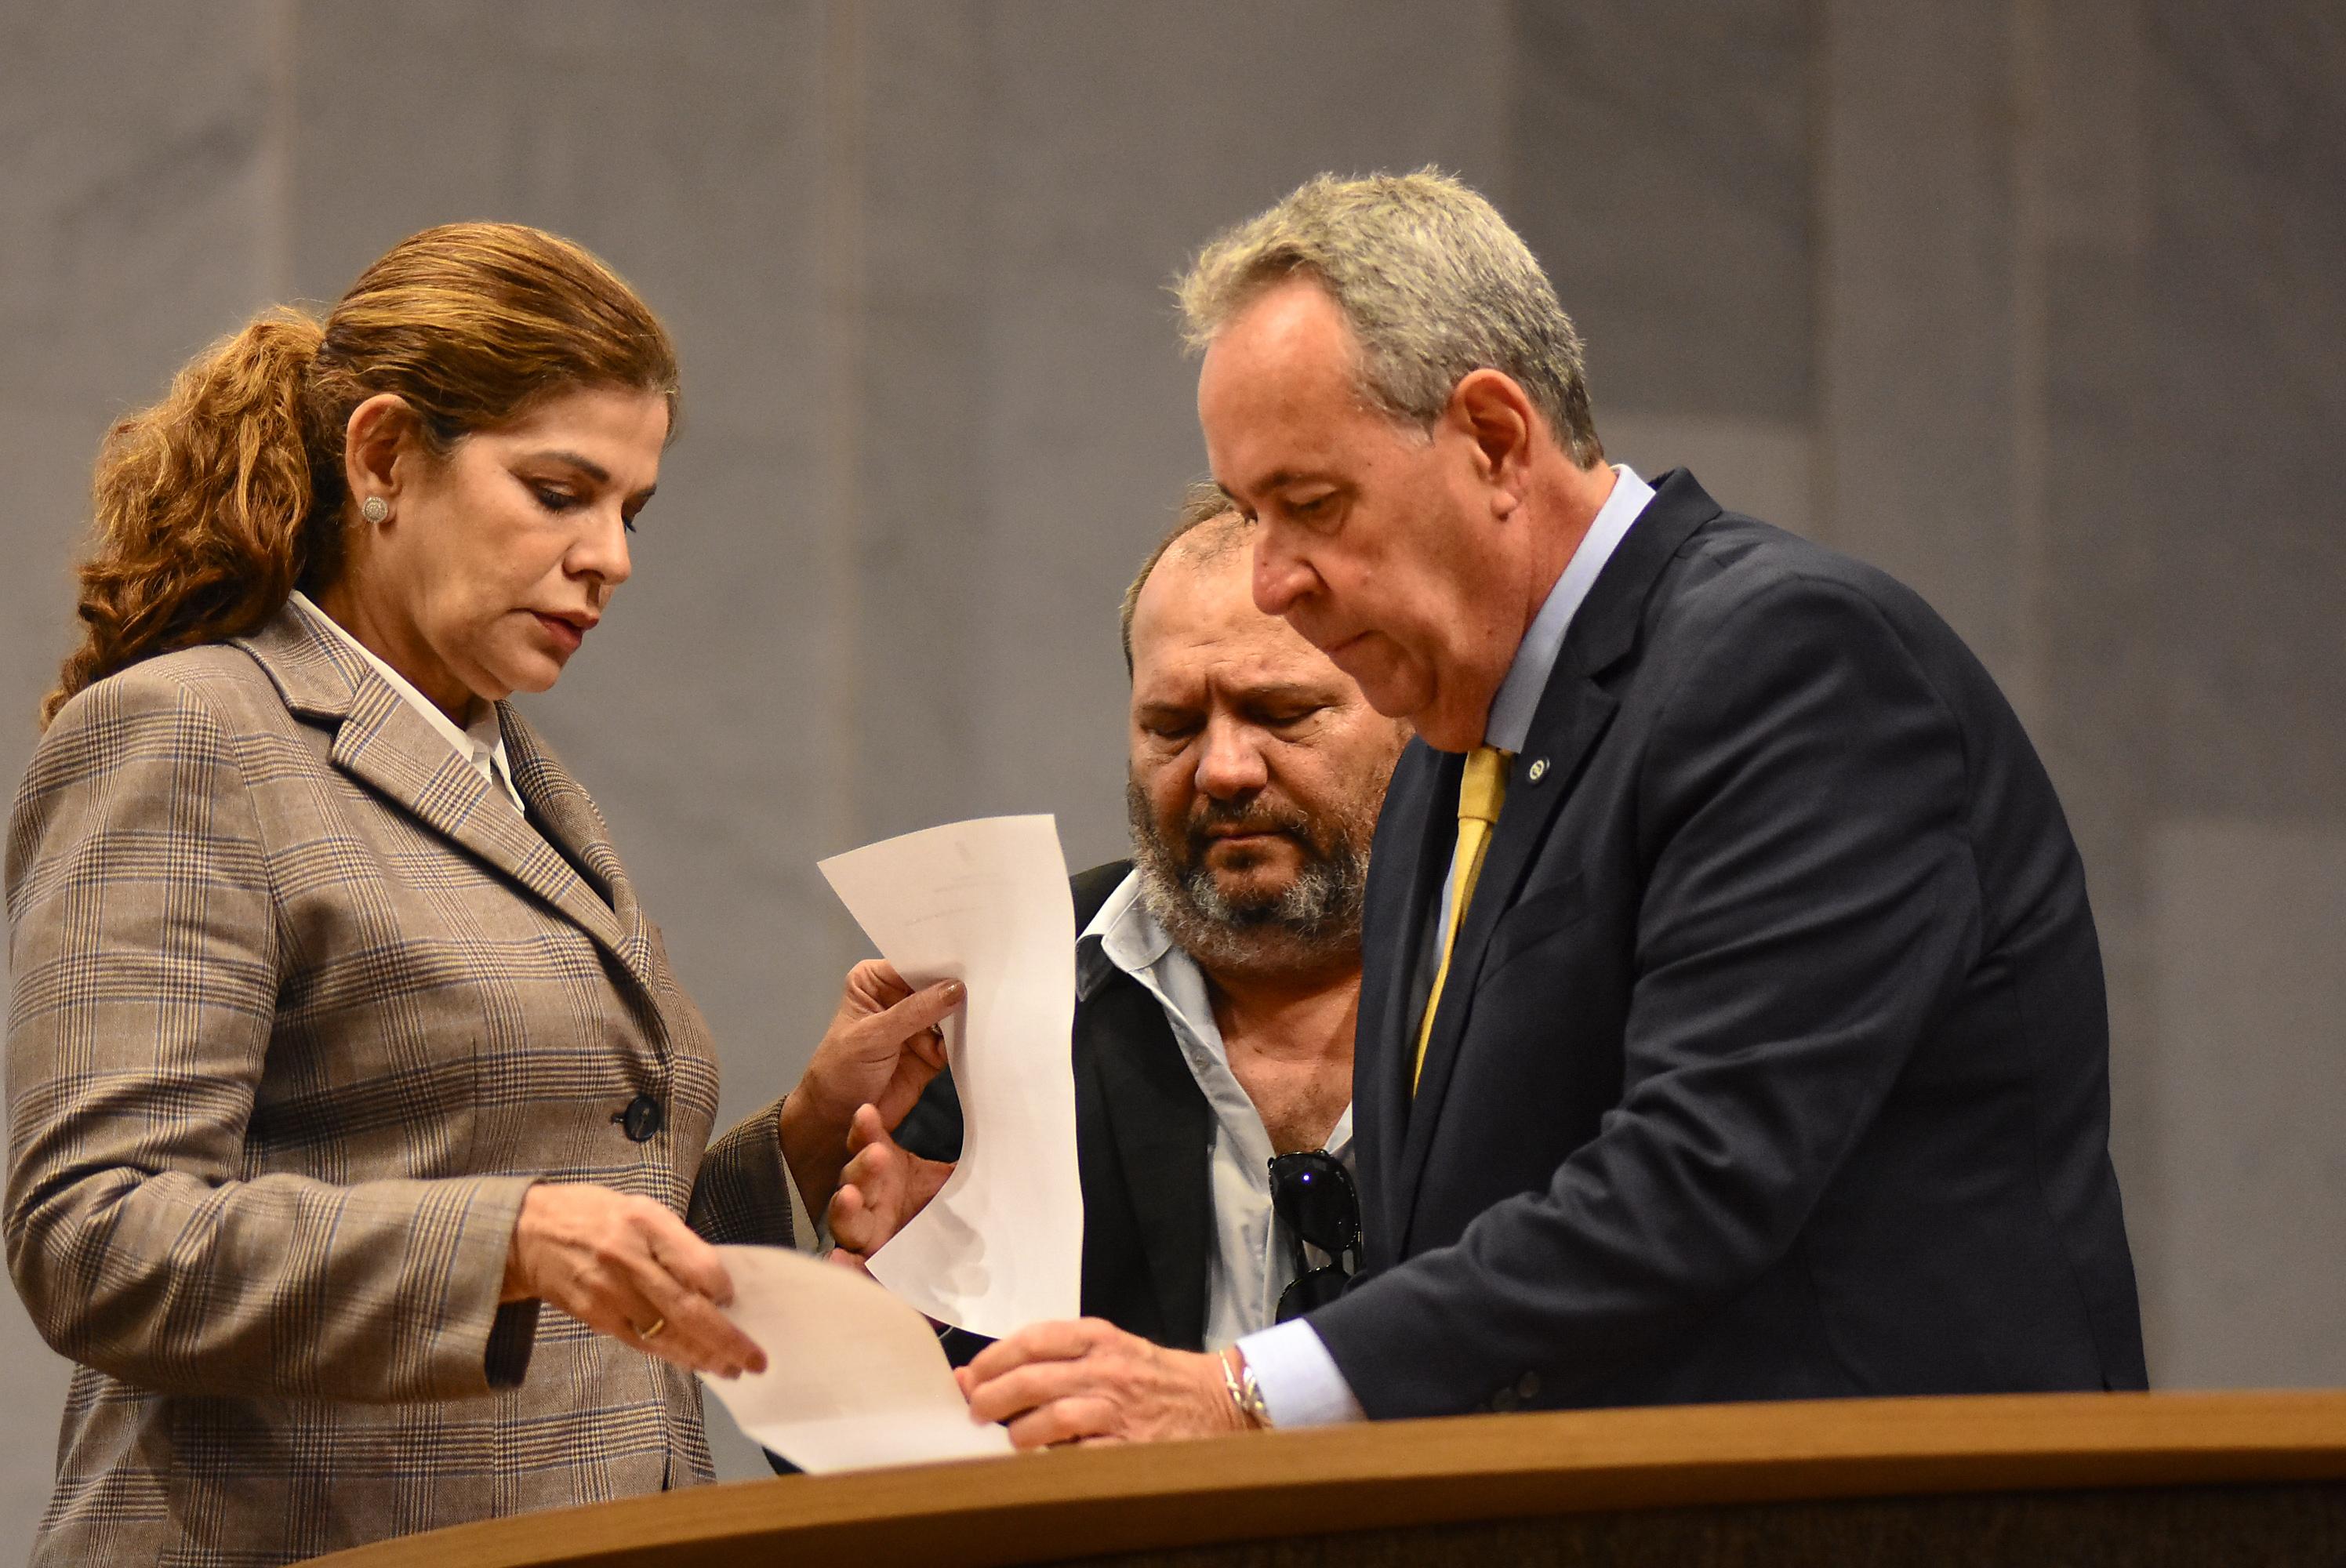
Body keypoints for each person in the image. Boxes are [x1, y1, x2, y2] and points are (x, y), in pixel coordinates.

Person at [959, 169, 2147, 1446]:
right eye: (1250, 516)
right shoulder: (1432, 776)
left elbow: (1697, 1177)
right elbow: (1450, 1249)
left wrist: (1240, 1394)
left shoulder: (1789, 661)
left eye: (1310, 507)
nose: (1276, 580)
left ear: (1491, 439)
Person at [4, 223, 953, 1566]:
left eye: (632, 510)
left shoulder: (516, 775)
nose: (611, 556)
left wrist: (805, 1134)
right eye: (560, 493)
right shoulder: (189, 733)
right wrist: (508, 1236)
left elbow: (576, 1229)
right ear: (384, 456)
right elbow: (97, 1238)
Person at [823, 485, 1411, 1359]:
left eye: (1281, 713)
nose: (1222, 768)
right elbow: (840, 1450)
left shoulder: (1537, 965)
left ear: (1413, 713)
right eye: (1171, 726)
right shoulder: (1012, 991)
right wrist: (897, 1325)